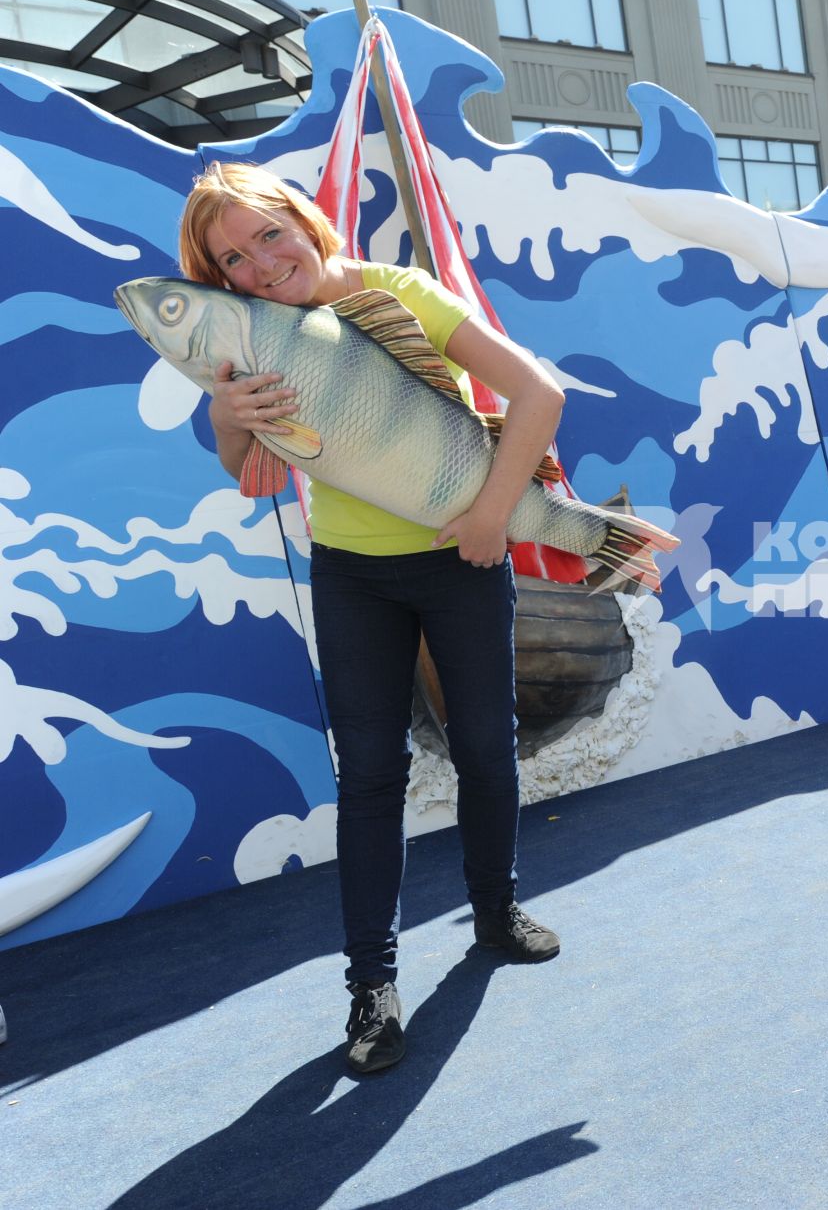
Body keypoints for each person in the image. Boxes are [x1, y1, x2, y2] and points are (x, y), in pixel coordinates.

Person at [178, 163, 566, 1075]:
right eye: (234, 257)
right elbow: (251, 470)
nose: (262, 264)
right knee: (371, 777)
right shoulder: (248, 339)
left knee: (485, 746)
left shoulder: (399, 292)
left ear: (302, 218)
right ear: (220, 278)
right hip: (352, 574)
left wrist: (488, 515)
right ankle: (372, 987)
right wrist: (230, 417)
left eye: (268, 233)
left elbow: (541, 395)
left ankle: (495, 908)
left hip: (460, 563)